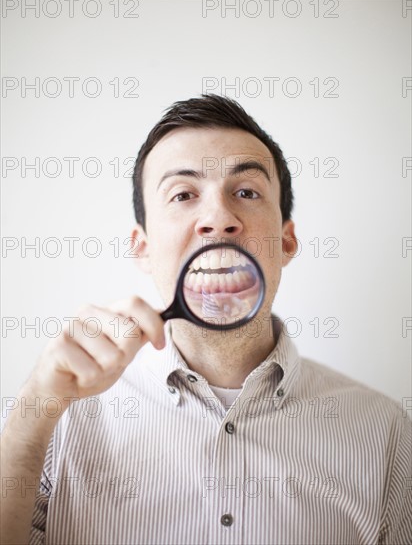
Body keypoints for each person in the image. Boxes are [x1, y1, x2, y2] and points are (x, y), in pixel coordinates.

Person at [1, 94, 411, 545]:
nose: (218, 219)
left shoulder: (385, 432)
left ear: (286, 241)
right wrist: (33, 412)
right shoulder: (58, 420)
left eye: (246, 192)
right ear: (142, 247)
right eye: (183, 194)